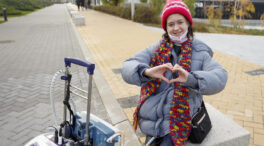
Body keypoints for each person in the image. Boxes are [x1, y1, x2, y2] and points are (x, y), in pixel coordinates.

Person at [121, 0, 228, 145]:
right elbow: (127, 66)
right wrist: (146, 72)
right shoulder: (157, 48)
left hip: (178, 123)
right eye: (171, 24)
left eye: (180, 22)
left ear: (188, 24)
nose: (176, 28)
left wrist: (191, 79)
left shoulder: (200, 51)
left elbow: (220, 76)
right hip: (151, 122)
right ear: (165, 27)